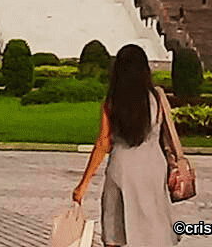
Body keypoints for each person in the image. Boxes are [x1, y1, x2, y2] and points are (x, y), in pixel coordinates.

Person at [72, 43, 179, 247]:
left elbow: (103, 143)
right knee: (153, 227)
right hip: (153, 168)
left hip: (121, 169)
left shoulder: (113, 101)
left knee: (114, 229)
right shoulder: (156, 97)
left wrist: (83, 185)